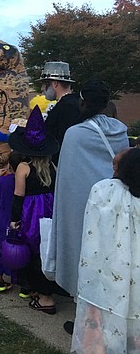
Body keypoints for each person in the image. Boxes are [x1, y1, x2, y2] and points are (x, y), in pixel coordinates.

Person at [51, 79, 129, 299]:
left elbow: (67, 178)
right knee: (111, 254)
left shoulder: (75, 134)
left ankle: (84, 307)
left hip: (83, 206)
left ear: (83, 104)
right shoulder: (120, 130)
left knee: (84, 252)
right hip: (115, 204)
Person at [70, 147, 140, 354]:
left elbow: (92, 232)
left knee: (101, 315)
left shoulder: (103, 190)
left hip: (105, 267)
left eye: (116, 164)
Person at [8, 105, 61, 315]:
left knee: (32, 253)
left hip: (32, 213)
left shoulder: (23, 167)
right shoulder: (52, 166)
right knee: (47, 252)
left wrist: (14, 219)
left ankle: (45, 298)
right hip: (50, 209)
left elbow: (18, 197)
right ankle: (44, 291)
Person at [0, 151, 23, 293]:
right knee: (20, 249)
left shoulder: (2, 181)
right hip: (19, 219)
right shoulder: (24, 181)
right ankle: (23, 285)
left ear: (9, 166)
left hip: (1, 219)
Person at [40, 61, 81, 165]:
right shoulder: (77, 102)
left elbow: (60, 141)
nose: (42, 89)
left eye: (45, 84)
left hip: (64, 165)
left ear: (55, 83)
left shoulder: (65, 107)